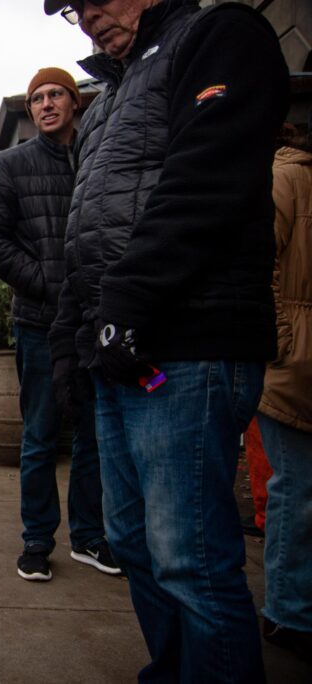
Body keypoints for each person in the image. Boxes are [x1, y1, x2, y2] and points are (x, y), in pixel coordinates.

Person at [44, 0, 289, 680]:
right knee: (133, 542)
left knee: (190, 556)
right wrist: (70, 339)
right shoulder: (110, 98)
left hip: (187, 340)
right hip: (118, 348)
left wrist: (128, 300)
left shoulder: (219, 35)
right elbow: (84, 230)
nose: (88, 17)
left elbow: (207, 179)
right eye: (74, 8)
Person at [0, 67, 118, 582]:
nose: (46, 104)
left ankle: (89, 536)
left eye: (56, 94)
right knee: (39, 434)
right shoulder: (12, 166)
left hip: (99, 319)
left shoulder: (101, 157)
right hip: (40, 320)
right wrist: (43, 279)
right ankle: (36, 540)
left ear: (74, 102)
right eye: (37, 98)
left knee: (95, 433)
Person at [255, 122, 312, 661]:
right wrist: (280, 342)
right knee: (296, 489)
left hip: (297, 357)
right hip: (294, 365)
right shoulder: (285, 176)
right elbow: (259, 263)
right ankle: (290, 612)